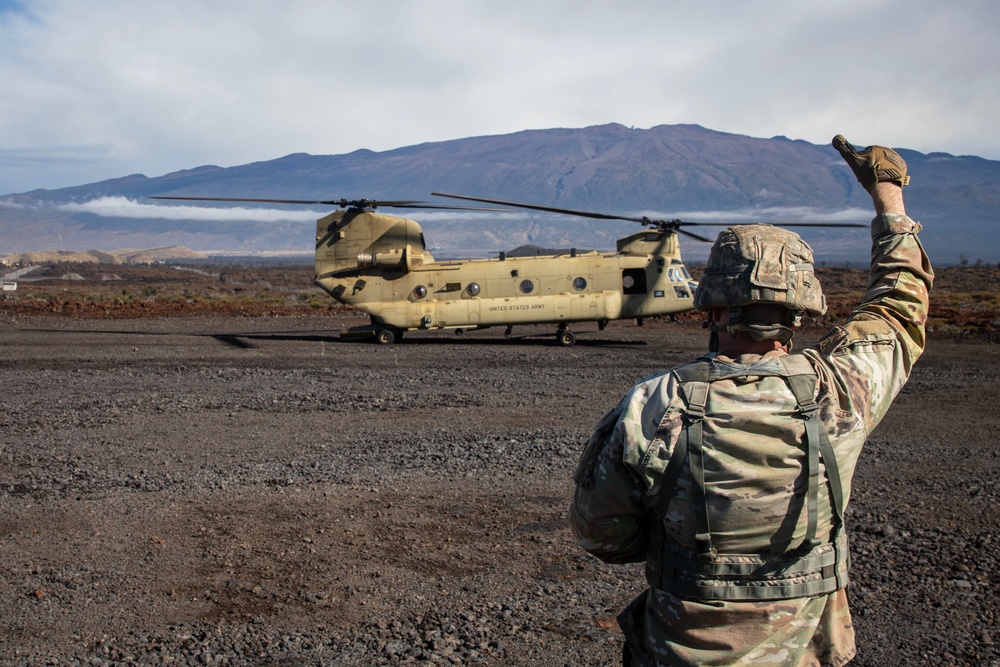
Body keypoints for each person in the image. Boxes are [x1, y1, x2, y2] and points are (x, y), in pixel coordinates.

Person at [570, 135, 932, 667]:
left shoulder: (655, 402)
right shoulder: (843, 391)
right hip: (807, 653)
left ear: (713, 305)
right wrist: (888, 195)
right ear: (801, 310)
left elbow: (602, 535)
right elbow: (901, 305)